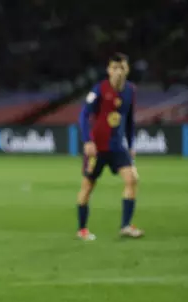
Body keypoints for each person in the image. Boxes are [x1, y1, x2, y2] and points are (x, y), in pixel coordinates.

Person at [77, 53, 143, 240]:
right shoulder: (99, 89)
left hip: (117, 147)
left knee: (132, 179)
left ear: (127, 70)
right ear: (108, 70)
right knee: (88, 186)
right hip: (97, 148)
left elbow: (129, 120)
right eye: (114, 68)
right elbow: (83, 116)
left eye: (121, 68)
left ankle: (125, 226)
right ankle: (82, 229)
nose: (118, 72)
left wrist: (131, 145)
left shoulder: (131, 90)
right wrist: (87, 141)